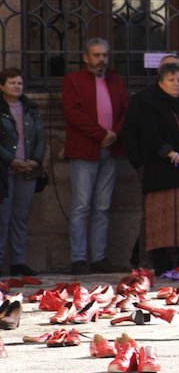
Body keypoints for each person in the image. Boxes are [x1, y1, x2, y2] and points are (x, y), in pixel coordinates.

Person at [123, 62, 179, 273]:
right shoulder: (149, 103)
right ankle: (156, 263)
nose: (176, 84)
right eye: (171, 80)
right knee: (160, 216)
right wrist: (173, 155)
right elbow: (150, 135)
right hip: (160, 168)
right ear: (160, 82)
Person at [60, 38, 129, 274]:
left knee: (103, 206)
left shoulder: (116, 81)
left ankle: (99, 257)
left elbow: (124, 111)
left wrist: (115, 134)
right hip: (84, 149)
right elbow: (73, 113)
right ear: (86, 57)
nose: (101, 59)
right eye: (97, 55)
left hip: (110, 150)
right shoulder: (73, 81)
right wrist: (101, 134)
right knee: (81, 206)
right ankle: (79, 258)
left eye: (104, 55)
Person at [0, 69, 45, 277]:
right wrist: (12, 160)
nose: (17, 86)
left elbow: (40, 136)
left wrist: (34, 160)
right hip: (5, 170)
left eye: (19, 83)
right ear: (2, 86)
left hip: (27, 170)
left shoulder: (30, 108)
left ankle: (19, 261)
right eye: (12, 83)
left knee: (20, 216)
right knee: (4, 216)